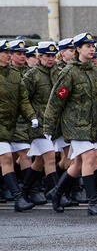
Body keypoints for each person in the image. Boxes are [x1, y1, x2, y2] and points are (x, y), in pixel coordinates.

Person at [44, 32, 97, 215]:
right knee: (90, 157)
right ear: (78, 49)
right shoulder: (69, 72)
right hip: (74, 125)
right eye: (87, 46)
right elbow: (56, 101)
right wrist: (49, 127)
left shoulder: (96, 73)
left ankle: (56, 193)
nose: (92, 49)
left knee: (78, 163)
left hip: (92, 125)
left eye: (93, 46)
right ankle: (93, 202)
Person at [21, 42, 62, 206]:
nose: (51, 59)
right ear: (39, 57)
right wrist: (31, 118)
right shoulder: (32, 76)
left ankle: (23, 193)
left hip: (52, 123)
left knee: (39, 161)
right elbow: (24, 100)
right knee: (50, 157)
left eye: (53, 56)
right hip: (38, 124)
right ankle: (57, 194)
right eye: (47, 56)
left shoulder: (57, 73)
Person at [0, 39, 36, 212]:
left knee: (8, 158)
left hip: (9, 124)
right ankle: (18, 197)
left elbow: (23, 99)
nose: (8, 55)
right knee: (7, 158)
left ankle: (18, 198)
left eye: (9, 52)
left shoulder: (15, 74)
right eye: (5, 52)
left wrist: (31, 117)